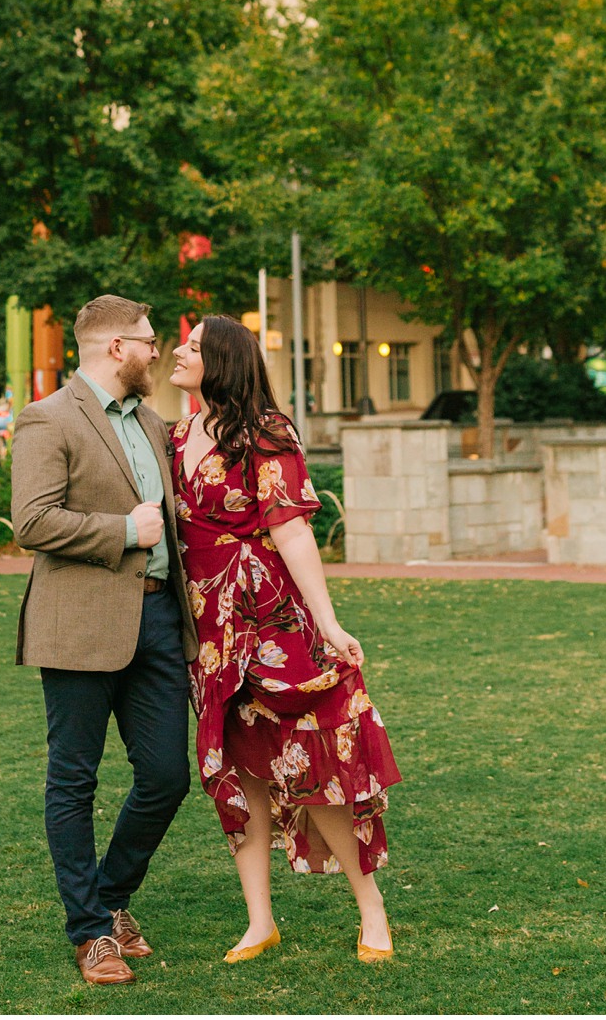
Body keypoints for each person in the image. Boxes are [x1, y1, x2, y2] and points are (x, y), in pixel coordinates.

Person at [169, 314, 401, 966]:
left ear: (221, 359)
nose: (177, 353)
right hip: (210, 635)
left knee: (307, 766)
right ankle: (259, 921)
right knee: (240, 772)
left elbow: (293, 532)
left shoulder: (265, 431)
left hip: (272, 623)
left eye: (191, 346)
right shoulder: (179, 433)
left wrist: (329, 622)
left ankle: (371, 907)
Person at [11, 294, 197, 987]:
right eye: (149, 341)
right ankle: (90, 930)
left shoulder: (152, 421)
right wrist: (122, 531)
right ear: (116, 347)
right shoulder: (47, 417)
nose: (158, 351)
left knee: (166, 776)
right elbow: (31, 519)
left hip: (156, 621)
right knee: (75, 778)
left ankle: (112, 896)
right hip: (78, 624)